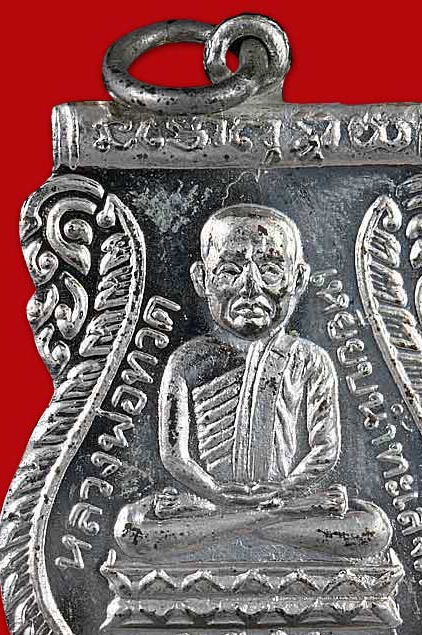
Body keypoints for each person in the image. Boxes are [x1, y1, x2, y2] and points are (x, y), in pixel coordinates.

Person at [114, 204, 391, 560]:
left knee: (371, 529)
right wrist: (215, 492)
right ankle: (258, 522)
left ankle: (241, 524)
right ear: (201, 279)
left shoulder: (310, 359)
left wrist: (285, 492)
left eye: (271, 270)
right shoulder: (188, 360)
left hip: (277, 503)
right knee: (133, 530)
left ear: (298, 279)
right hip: (217, 504)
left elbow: (325, 449)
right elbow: (175, 455)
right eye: (229, 271)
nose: (250, 287)